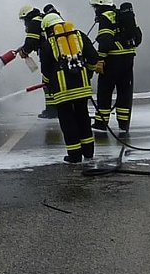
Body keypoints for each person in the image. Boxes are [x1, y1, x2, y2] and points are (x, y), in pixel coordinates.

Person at [38, 12, 102, 163]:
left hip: (62, 92)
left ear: (47, 28)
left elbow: (45, 70)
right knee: (83, 118)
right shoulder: (78, 36)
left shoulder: (48, 44)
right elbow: (93, 57)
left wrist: (48, 83)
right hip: (82, 87)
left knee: (68, 122)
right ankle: (88, 152)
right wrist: (88, 74)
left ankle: (74, 156)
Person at [89, 0, 137, 136]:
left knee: (105, 91)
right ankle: (124, 123)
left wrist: (100, 59)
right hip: (128, 59)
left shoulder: (106, 17)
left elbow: (105, 41)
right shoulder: (121, 15)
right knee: (124, 91)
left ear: (100, 6)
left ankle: (101, 123)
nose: (95, 10)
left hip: (112, 60)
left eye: (96, 7)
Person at [17, 5, 57, 118]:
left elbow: (31, 40)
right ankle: (56, 109)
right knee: (52, 81)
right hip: (56, 55)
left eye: (24, 20)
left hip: (48, 56)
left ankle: (51, 110)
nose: (25, 23)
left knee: (47, 81)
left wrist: (25, 52)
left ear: (27, 16)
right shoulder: (42, 19)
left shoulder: (34, 22)